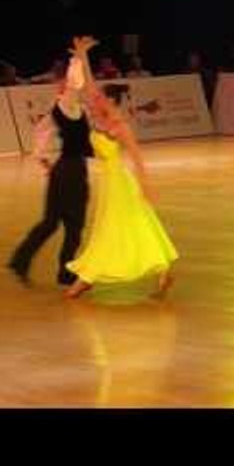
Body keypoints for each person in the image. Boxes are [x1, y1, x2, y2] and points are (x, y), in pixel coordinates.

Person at [64, 36, 178, 300]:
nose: (96, 98)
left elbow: (137, 157)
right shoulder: (100, 117)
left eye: (102, 98)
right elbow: (88, 85)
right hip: (108, 182)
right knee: (131, 226)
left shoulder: (120, 126)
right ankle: (162, 271)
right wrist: (82, 55)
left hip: (119, 183)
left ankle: (87, 278)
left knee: (114, 229)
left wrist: (146, 185)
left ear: (112, 102)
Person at [8, 49, 94, 287]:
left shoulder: (65, 109)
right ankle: (64, 273)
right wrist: (78, 57)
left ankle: (20, 261)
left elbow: (39, 135)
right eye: (65, 84)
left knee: (52, 223)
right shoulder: (67, 105)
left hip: (64, 170)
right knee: (73, 226)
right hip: (72, 172)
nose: (69, 87)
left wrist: (44, 161)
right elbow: (77, 82)